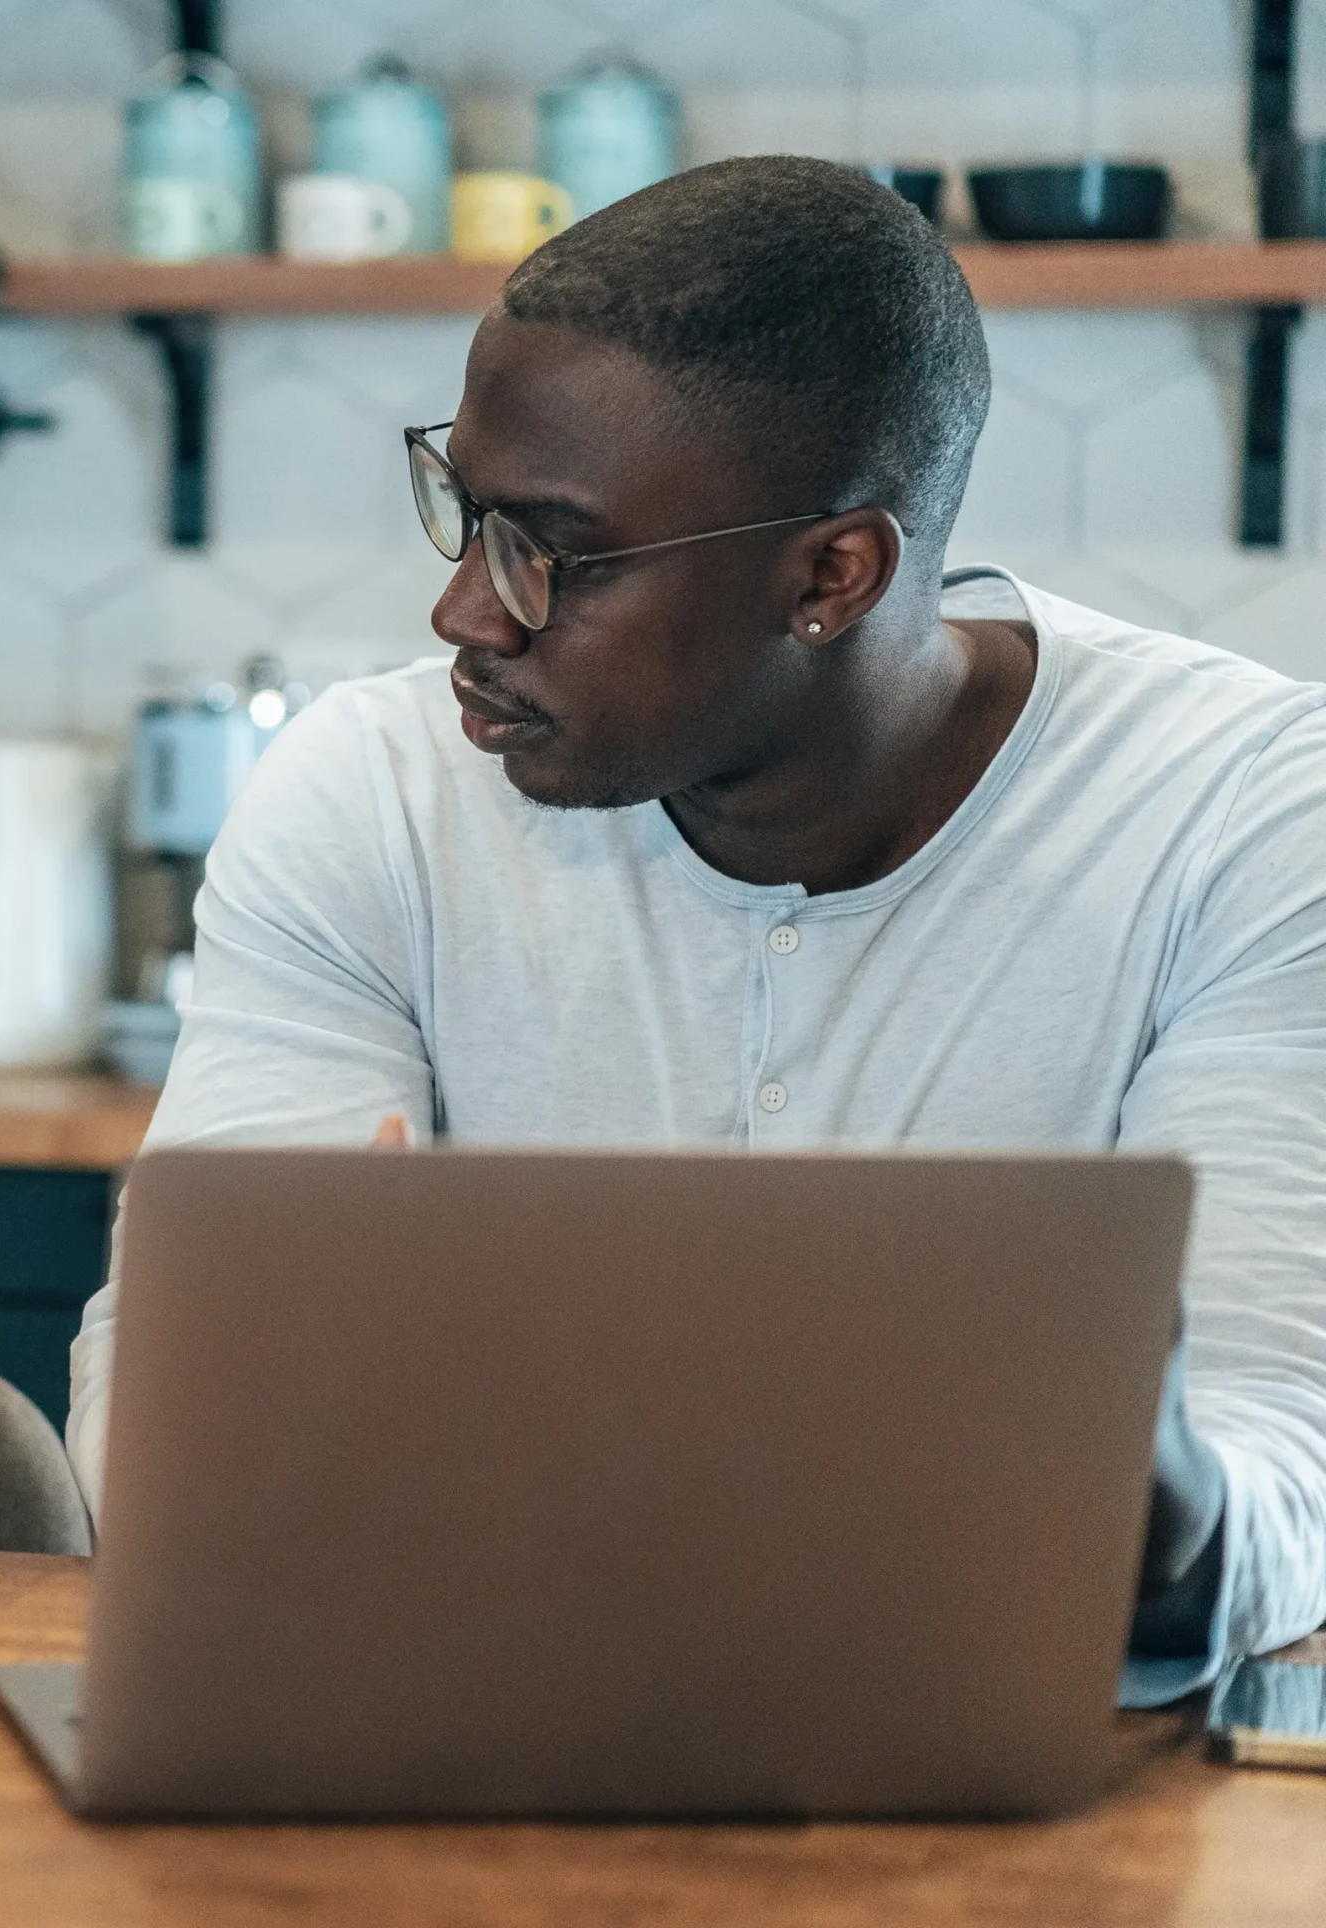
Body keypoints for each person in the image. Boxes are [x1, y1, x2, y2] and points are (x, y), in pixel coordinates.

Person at [67, 155, 1326, 1704]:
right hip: (461, 1732)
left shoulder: (1248, 817)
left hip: (999, 1777)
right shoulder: (370, 789)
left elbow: (1285, 1466)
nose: (468, 611)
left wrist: (1150, 1488)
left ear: (831, 575)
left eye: (554, 553)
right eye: (464, 514)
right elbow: (165, 1400)